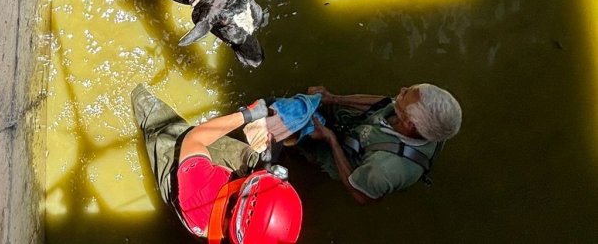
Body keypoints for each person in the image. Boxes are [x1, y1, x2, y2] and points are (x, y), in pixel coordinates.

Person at [132, 83, 303, 243]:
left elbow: (195, 138)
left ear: (234, 205)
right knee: (258, 158)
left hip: (185, 174)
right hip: (225, 213)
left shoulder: (199, 197)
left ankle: (133, 91)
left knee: (164, 126)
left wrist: (246, 115)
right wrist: (265, 171)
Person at [294, 84, 462, 204]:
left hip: (355, 159)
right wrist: (334, 99)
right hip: (364, 130)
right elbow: (386, 103)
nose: (401, 90)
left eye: (405, 95)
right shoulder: (421, 121)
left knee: (298, 146)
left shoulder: (385, 169)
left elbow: (361, 195)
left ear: (408, 123)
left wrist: (331, 140)